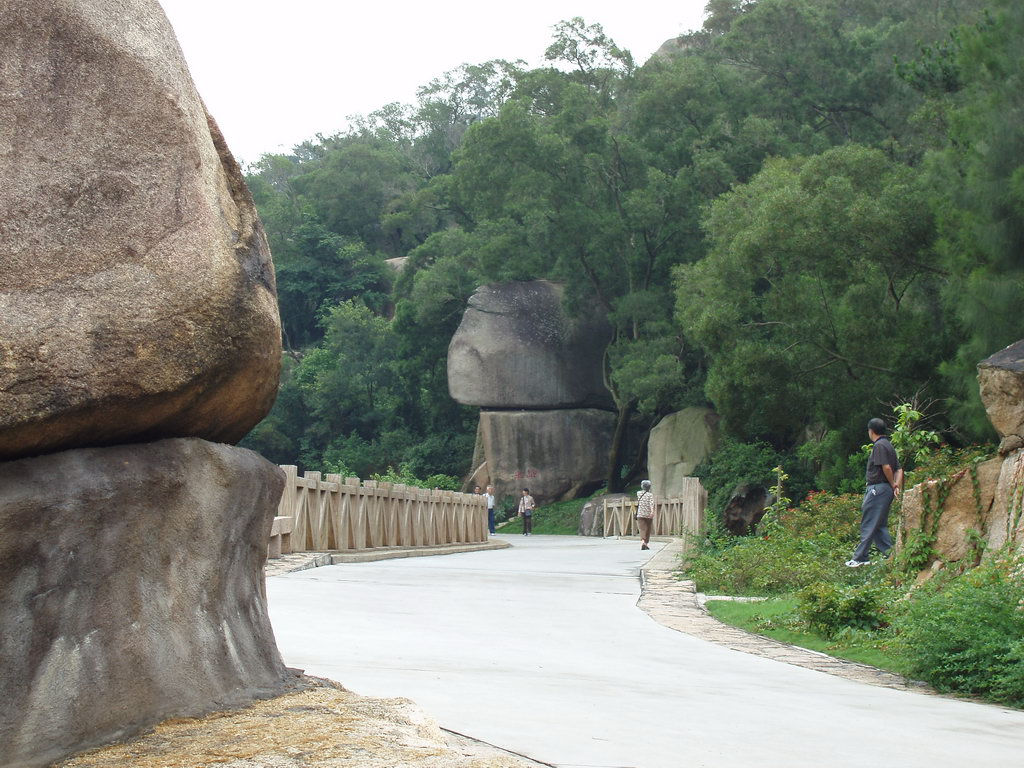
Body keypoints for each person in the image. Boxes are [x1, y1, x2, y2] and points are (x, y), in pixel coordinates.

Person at [846, 417, 903, 567]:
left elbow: (886, 467)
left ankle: (859, 558)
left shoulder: (879, 446)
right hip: (885, 489)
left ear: (871, 431)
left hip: (877, 488)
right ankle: (891, 555)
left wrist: (892, 484)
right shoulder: (889, 446)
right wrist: (896, 485)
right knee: (879, 524)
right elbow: (899, 469)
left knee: (869, 522)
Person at [636, 480, 655, 550]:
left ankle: (643, 542)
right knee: (648, 528)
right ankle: (646, 543)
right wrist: (652, 512)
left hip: (640, 513)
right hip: (648, 514)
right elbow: (651, 504)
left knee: (642, 529)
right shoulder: (650, 495)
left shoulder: (638, 493)